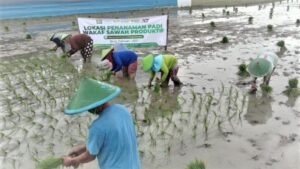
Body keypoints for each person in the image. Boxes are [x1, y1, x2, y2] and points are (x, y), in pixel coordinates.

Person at [62, 78, 141, 169]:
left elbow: (90, 155)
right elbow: (110, 140)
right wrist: (82, 148)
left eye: (89, 107)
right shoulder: (123, 110)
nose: (89, 110)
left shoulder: (97, 126)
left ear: (96, 104)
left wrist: (73, 161)